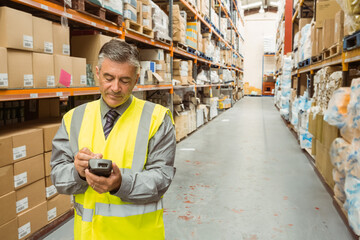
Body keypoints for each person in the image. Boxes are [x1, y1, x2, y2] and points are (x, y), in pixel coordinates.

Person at [50, 39, 176, 239]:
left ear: (136, 80)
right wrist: (78, 173)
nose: (115, 88)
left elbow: (161, 180)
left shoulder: (157, 119)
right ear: (97, 73)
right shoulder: (73, 118)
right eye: (108, 78)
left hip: (138, 234)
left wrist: (120, 183)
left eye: (124, 80)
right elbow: (58, 177)